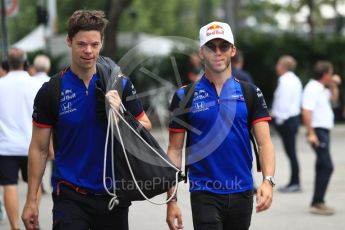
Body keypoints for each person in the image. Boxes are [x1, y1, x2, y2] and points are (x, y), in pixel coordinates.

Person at [21, 10, 151, 230]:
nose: (88, 51)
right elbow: (39, 148)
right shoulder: (51, 91)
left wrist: (122, 115)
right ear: (69, 41)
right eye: (81, 44)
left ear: (101, 43)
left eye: (94, 44)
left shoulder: (120, 84)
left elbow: (146, 128)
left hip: (113, 195)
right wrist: (31, 200)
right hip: (70, 195)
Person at [166, 21, 275, 230]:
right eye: (211, 47)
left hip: (242, 190)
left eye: (223, 46)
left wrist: (268, 180)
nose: (218, 52)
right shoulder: (184, 96)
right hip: (204, 192)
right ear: (201, 52)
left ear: (232, 50)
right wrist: (171, 200)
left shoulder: (251, 92)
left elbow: (265, 143)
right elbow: (174, 149)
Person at [0, 47, 42, 230]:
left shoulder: (1, 85)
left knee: (9, 184)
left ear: (7, 63)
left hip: (5, 145)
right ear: (25, 62)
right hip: (32, 144)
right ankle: (32, 219)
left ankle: (15, 227)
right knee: (35, 183)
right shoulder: (35, 85)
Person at [302, 61, 337, 215]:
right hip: (318, 131)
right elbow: (306, 111)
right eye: (331, 73)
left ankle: (318, 201)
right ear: (325, 74)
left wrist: (334, 85)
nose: (332, 75)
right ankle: (317, 202)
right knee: (327, 166)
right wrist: (311, 133)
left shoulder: (322, 88)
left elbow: (334, 99)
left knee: (321, 166)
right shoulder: (313, 88)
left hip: (323, 131)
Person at [271, 55, 303, 193]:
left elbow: (282, 103)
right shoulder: (296, 79)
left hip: (286, 120)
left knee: (291, 152)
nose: (276, 67)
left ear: (283, 67)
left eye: (278, 64)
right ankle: (294, 181)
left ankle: (295, 182)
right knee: (292, 152)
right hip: (293, 118)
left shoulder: (284, 80)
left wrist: (277, 120)